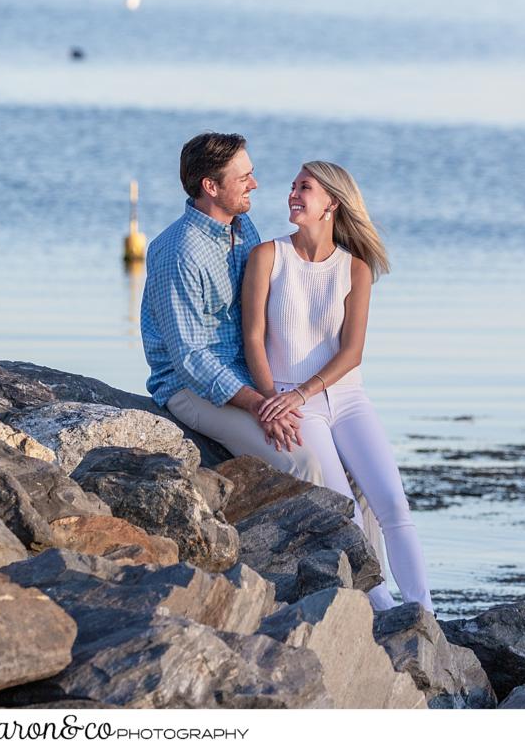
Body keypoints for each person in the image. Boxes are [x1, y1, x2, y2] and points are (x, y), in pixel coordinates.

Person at [241, 160, 434, 612]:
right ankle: (384, 609)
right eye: (292, 186)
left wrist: (300, 394)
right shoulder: (268, 256)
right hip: (294, 402)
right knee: (344, 508)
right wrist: (275, 401)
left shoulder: (357, 269)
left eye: (303, 187)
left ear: (332, 202)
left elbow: (352, 352)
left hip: (346, 397)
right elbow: (252, 337)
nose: (292, 194)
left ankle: (424, 612)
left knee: (393, 504)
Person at [140, 131, 323, 484]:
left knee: (344, 459)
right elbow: (191, 358)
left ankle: (362, 542)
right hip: (192, 389)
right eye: (243, 178)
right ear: (211, 186)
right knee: (300, 464)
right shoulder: (179, 253)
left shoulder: (242, 226)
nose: (254, 184)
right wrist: (260, 405)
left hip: (249, 374)